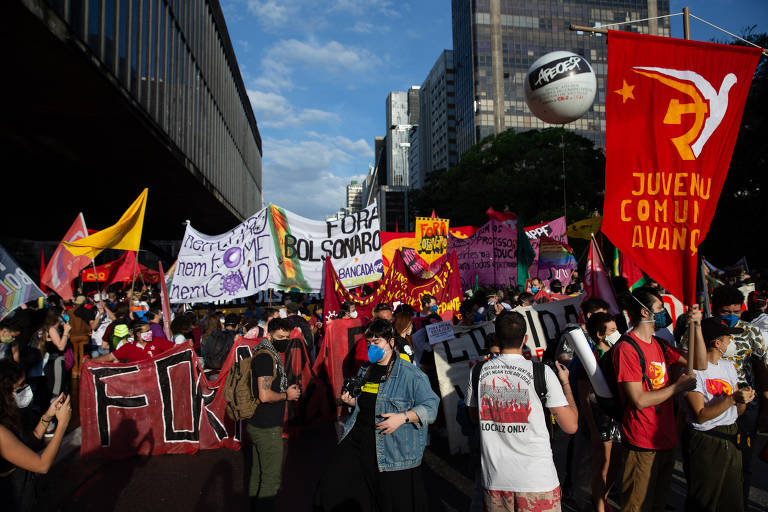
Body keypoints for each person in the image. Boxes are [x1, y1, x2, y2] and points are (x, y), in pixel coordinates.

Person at [314, 319, 439, 512]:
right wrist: (352, 402)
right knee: (331, 486)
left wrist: (403, 417)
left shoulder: (411, 374)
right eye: (369, 343)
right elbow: (372, 402)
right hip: (359, 439)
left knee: (387, 500)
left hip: (390, 449)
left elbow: (431, 407)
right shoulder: (366, 369)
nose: (372, 347)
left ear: (390, 342)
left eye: (377, 342)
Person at [466, 311, 578, 512]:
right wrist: (566, 383)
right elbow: (570, 426)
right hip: (538, 481)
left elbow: (475, 417)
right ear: (525, 339)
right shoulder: (542, 372)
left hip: (496, 482)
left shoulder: (478, 371)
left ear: (497, 338)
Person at [612, 288, 706, 512]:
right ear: (645, 313)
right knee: (636, 506)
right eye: (660, 308)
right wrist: (677, 387)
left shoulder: (660, 345)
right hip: (642, 441)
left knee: (657, 504)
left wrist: (697, 326)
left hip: (665, 437)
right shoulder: (627, 348)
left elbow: (700, 363)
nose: (664, 313)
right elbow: (639, 400)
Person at [683, 317, 755, 512]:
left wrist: (742, 400)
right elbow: (700, 414)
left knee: (732, 499)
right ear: (717, 343)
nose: (731, 342)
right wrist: (731, 399)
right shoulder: (693, 372)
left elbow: (737, 411)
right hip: (706, 440)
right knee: (705, 499)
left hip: (730, 435)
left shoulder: (728, 367)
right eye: (728, 338)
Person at [710, 284, 768, 501]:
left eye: (736, 311)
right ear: (714, 309)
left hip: (746, 404)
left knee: (743, 460)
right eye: (727, 312)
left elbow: (761, 369)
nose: (733, 316)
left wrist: (764, 408)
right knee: (713, 462)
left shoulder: (751, 330)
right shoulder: (701, 330)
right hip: (712, 403)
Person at [0, 359, 72, 511]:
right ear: (5, 392)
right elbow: (42, 465)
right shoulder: (1, 432)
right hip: (11, 498)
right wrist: (62, 425)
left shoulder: (9, 415)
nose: (26, 388)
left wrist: (48, 415)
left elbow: (28, 443)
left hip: (25, 492)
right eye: (20, 386)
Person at [247, 318, 301, 511]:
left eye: (287, 337)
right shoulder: (266, 357)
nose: (284, 341)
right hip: (266, 426)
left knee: (259, 473)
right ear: (269, 336)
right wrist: (287, 395)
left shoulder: (267, 353)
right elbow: (264, 395)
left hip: (258, 423)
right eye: (280, 337)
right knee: (271, 480)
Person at [578, 312, 622, 512]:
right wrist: (593, 429)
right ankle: (599, 507)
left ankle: (602, 498)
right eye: (612, 330)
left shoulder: (619, 353)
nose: (616, 333)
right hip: (599, 419)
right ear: (600, 334)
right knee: (602, 467)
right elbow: (584, 397)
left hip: (618, 417)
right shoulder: (589, 359)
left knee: (614, 466)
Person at [91, 319, 174, 364]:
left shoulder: (158, 341)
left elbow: (176, 348)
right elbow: (109, 357)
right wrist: (90, 361)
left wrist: (186, 345)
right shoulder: (129, 347)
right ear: (138, 334)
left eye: (150, 330)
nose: (150, 333)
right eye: (147, 331)